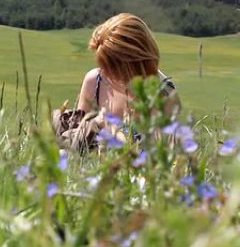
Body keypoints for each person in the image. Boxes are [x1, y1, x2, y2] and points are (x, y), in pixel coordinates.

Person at [52, 13, 178, 153]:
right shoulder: (94, 82)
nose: (105, 73)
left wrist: (114, 133)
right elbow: (77, 143)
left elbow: (160, 160)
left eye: (111, 66)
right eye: (103, 65)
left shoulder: (164, 94)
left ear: (134, 61)